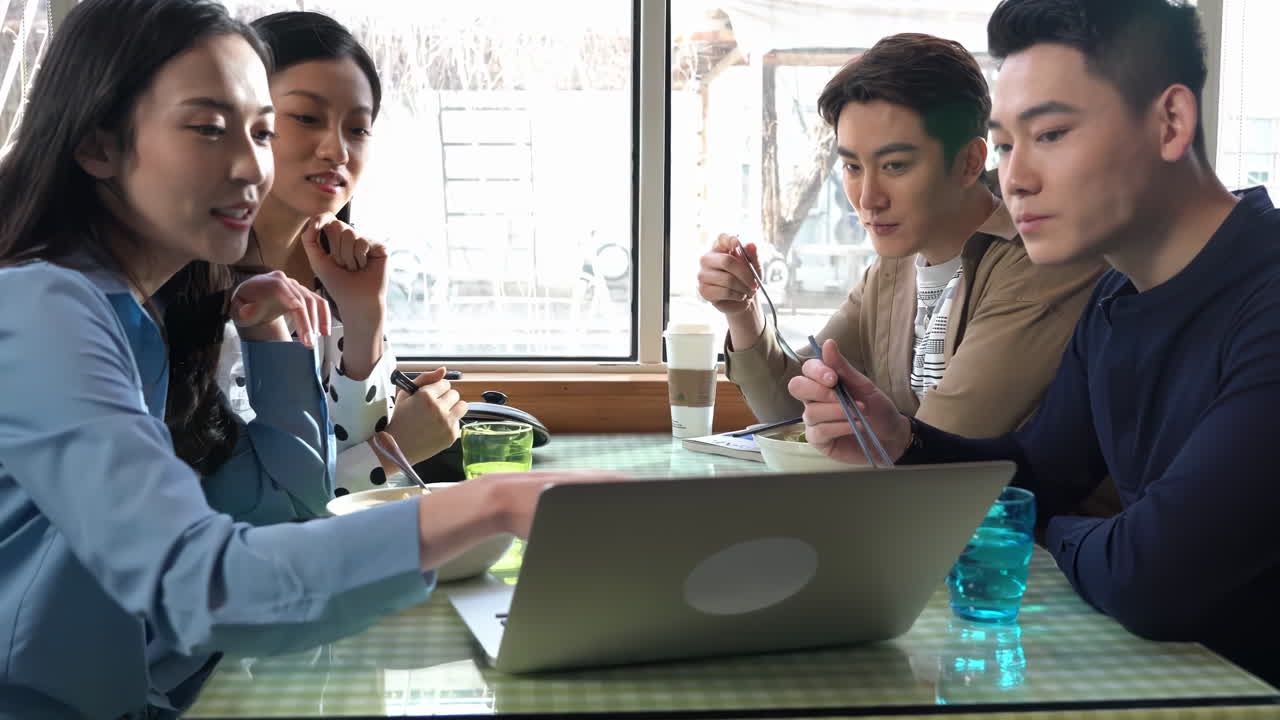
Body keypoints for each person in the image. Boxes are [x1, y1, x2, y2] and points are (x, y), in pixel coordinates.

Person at [0, 1, 615, 716]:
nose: (250, 166)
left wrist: (277, 346)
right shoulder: (43, 307)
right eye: (208, 128)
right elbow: (208, 588)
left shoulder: (147, 309)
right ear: (96, 146)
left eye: (260, 131)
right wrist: (496, 502)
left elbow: (279, 513)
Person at [789, 0, 1279, 686]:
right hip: (1169, 677)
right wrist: (903, 441)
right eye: (1008, 143)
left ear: (1170, 122)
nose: (1013, 179)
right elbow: (1038, 473)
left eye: (1050, 134)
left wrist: (1050, 530)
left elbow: (1150, 577)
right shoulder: (1116, 296)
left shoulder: (1266, 299)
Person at [698, 33, 1106, 441]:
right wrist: (742, 309)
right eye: (853, 167)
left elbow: (941, 445)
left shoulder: (1034, 266)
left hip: (1006, 505)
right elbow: (789, 407)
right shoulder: (895, 266)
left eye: (894, 166)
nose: (868, 199)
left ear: (969, 162)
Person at [198, 11, 464, 499]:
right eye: (306, 118)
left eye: (358, 129)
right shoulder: (190, 283)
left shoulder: (340, 269)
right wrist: (393, 450)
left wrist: (365, 321)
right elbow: (252, 506)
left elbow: (336, 457)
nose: (337, 151)